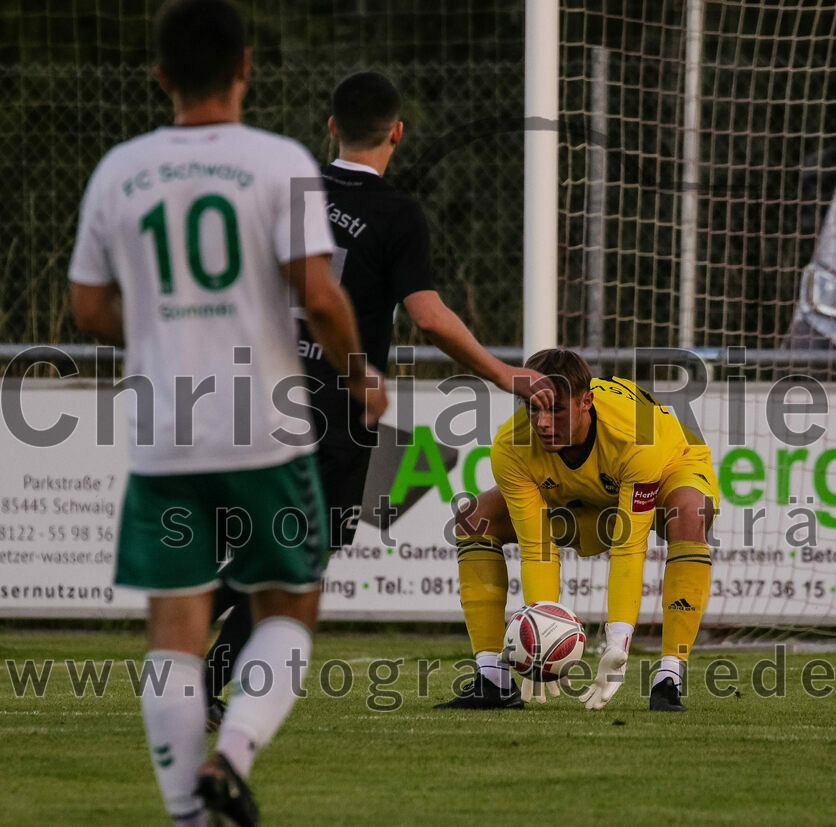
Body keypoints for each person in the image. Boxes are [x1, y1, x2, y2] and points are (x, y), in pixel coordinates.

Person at [68, 1, 386, 824]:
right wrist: (359, 375)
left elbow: (88, 305)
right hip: (263, 430)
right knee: (290, 604)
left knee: (174, 629)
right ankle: (231, 754)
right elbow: (321, 297)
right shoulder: (278, 162)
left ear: (160, 75)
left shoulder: (119, 170)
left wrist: (162, 331)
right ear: (246, 66)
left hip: (165, 432)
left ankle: (188, 814)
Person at [202, 70, 551, 726]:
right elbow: (428, 316)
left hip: (256, 391)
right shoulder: (396, 215)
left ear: (331, 125)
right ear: (397, 132)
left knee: (286, 548)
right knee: (299, 554)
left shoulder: (287, 188)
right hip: (333, 406)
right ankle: (199, 664)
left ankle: (195, 657)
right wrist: (503, 373)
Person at [435, 348, 719, 712]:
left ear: (587, 402)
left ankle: (669, 677)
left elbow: (628, 547)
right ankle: (493, 680)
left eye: (555, 410)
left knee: (690, 513)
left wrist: (617, 642)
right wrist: (540, 639)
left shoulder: (638, 434)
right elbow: (537, 549)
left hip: (670, 468)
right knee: (473, 520)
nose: (542, 423)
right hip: (583, 499)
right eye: (532, 408)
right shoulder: (510, 446)